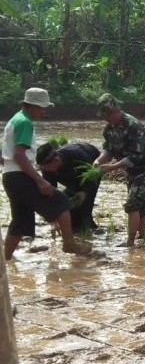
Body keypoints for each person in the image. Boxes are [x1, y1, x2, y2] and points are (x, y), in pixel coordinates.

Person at [1, 88, 91, 259]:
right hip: (20, 176)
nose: (44, 112)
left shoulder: (14, 120)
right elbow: (19, 154)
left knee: (20, 222)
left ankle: (4, 260)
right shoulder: (24, 122)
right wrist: (40, 181)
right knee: (61, 201)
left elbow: (7, 153)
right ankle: (69, 243)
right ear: (33, 106)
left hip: (9, 176)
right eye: (42, 108)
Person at [93, 93, 145, 247]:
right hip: (130, 171)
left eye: (107, 115)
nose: (105, 119)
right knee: (140, 206)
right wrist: (98, 161)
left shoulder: (133, 125)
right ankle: (144, 241)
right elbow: (108, 150)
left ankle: (130, 243)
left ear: (115, 111)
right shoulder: (109, 129)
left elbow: (137, 155)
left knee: (133, 204)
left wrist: (112, 167)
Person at [36, 141, 101, 233]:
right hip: (69, 176)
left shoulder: (78, 156)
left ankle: (89, 228)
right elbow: (51, 193)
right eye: (43, 168)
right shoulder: (47, 169)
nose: (45, 170)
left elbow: (91, 179)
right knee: (69, 200)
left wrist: (84, 192)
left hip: (91, 169)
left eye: (47, 167)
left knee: (86, 204)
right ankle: (74, 228)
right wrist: (52, 219)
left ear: (56, 161)